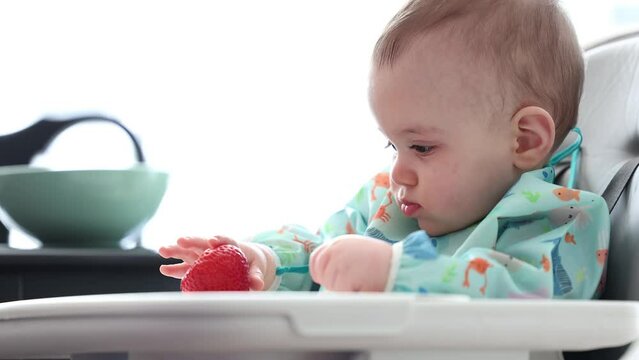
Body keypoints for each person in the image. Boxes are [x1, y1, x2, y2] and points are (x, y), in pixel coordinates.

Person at [159, 0, 610, 298]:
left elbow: (528, 293)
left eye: (422, 147)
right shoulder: (388, 205)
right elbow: (323, 249)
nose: (399, 172)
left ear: (525, 139)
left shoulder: (562, 221)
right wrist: (265, 261)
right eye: (393, 145)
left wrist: (396, 272)